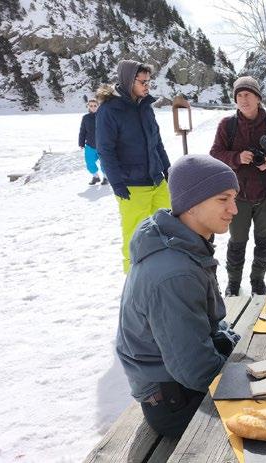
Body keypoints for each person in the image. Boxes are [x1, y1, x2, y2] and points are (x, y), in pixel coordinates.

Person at [116, 154, 241, 438]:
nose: (234, 209)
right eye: (223, 199)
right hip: (172, 400)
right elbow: (196, 371)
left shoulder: (181, 241)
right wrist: (252, 381)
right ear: (191, 204)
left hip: (179, 377)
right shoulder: (174, 272)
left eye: (234, 198)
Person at [210, 76, 266, 297]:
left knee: (263, 239)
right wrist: (236, 157)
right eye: (239, 95)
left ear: (258, 98)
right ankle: (233, 282)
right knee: (237, 241)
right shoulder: (227, 126)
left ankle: (258, 280)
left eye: (247, 94)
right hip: (237, 196)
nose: (243, 99)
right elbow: (215, 153)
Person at [96, 60, 171, 274]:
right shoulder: (110, 110)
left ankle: (162, 274)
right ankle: (134, 281)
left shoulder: (146, 106)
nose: (147, 86)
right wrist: (117, 183)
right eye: (143, 82)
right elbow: (105, 150)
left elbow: (157, 142)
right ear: (129, 81)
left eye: (149, 81)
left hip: (157, 181)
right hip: (132, 186)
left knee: (166, 229)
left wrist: (168, 170)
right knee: (136, 236)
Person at [78, 99, 107, 185]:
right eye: (91, 106)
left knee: (104, 163)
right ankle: (95, 177)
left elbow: (110, 130)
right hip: (90, 145)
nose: (93, 107)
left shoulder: (103, 116)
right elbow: (82, 131)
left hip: (102, 145)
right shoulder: (85, 118)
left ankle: (105, 177)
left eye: (95, 105)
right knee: (89, 162)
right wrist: (81, 142)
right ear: (88, 106)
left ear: (98, 106)